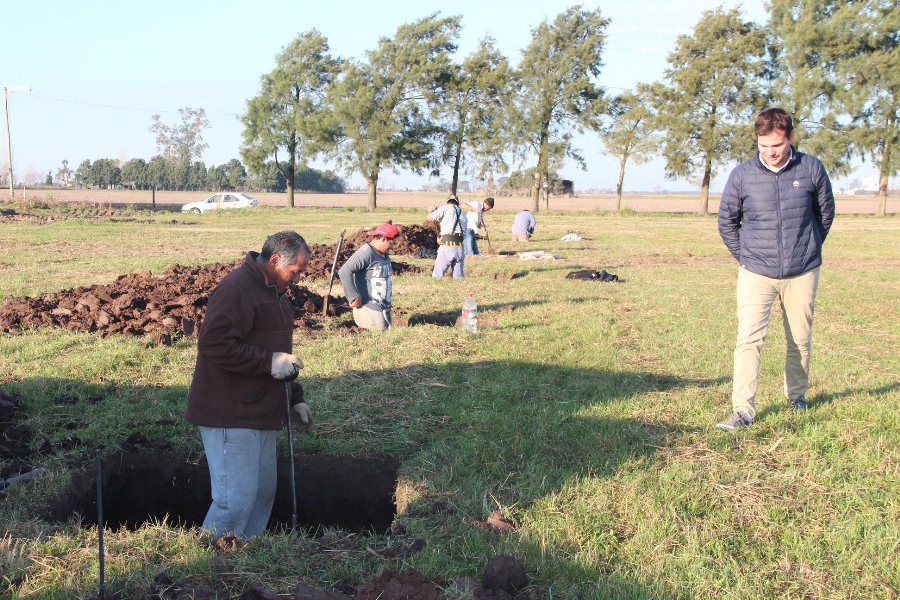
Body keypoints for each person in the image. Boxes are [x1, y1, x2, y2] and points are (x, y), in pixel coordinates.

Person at [185, 231, 314, 537]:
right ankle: (210, 561)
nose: (297, 279)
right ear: (273, 261)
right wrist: (269, 363)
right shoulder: (237, 290)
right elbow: (214, 344)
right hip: (230, 412)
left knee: (262, 494)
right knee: (235, 501)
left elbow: (277, 351)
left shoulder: (276, 294)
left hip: (261, 410)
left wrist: (295, 396)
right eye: (294, 272)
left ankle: (243, 559)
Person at [716, 107, 835, 431]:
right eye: (764, 145)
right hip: (756, 271)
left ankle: (797, 397)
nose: (770, 152)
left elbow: (824, 214)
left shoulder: (811, 169)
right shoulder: (742, 175)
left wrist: (807, 247)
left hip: (802, 271)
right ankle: (742, 410)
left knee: (799, 339)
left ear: (790, 139)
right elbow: (727, 221)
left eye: (777, 146)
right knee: (748, 339)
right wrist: (748, 256)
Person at [338, 222, 399, 330]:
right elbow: (344, 271)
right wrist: (353, 296)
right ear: (383, 238)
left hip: (384, 309)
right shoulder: (366, 253)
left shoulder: (382, 254)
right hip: (370, 310)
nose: (392, 247)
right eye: (391, 243)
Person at [427, 196, 468, 278]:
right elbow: (463, 235)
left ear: (448, 202)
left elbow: (431, 218)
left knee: (437, 276)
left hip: (447, 246)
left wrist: (430, 210)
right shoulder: (463, 215)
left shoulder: (445, 208)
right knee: (458, 277)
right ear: (457, 203)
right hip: (460, 247)